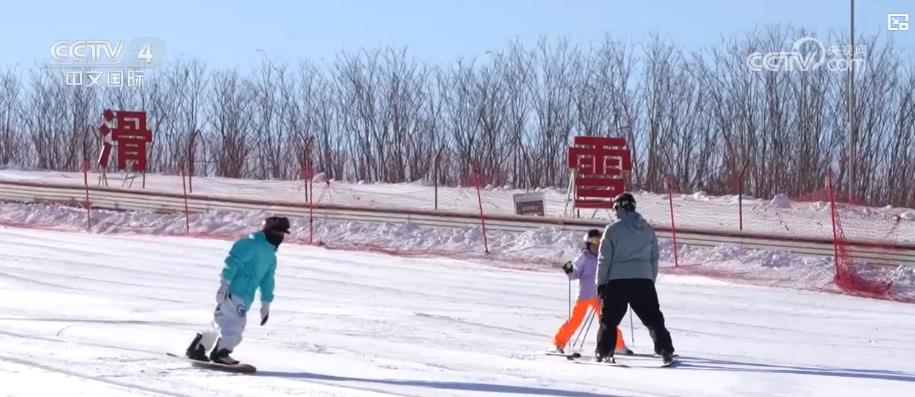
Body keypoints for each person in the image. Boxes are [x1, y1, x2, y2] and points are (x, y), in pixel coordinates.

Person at [184, 216, 290, 364]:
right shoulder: (250, 245)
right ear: (267, 231)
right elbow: (232, 262)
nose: (280, 236)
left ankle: (199, 347)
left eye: (282, 234)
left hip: (246, 296)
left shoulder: (271, 257)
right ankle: (221, 352)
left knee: (221, 322)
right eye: (277, 232)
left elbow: (268, 280)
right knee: (235, 326)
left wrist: (266, 303)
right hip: (234, 292)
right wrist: (224, 284)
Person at [594, 193, 675, 364]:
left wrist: (600, 284)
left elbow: (603, 260)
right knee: (653, 318)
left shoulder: (612, 229)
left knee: (609, 319)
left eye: (615, 208)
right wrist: (649, 279)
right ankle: (665, 349)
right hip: (643, 280)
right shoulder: (647, 229)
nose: (615, 213)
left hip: (618, 282)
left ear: (620, 207)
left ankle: (604, 351)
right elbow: (654, 258)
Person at [550, 229, 633, 355]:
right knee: (575, 320)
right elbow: (574, 275)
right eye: (594, 244)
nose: (597, 247)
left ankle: (618, 345)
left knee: (608, 321)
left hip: (599, 296)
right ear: (588, 244)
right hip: (584, 295)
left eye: (599, 244)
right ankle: (557, 343)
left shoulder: (604, 258)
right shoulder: (583, 257)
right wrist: (567, 266)